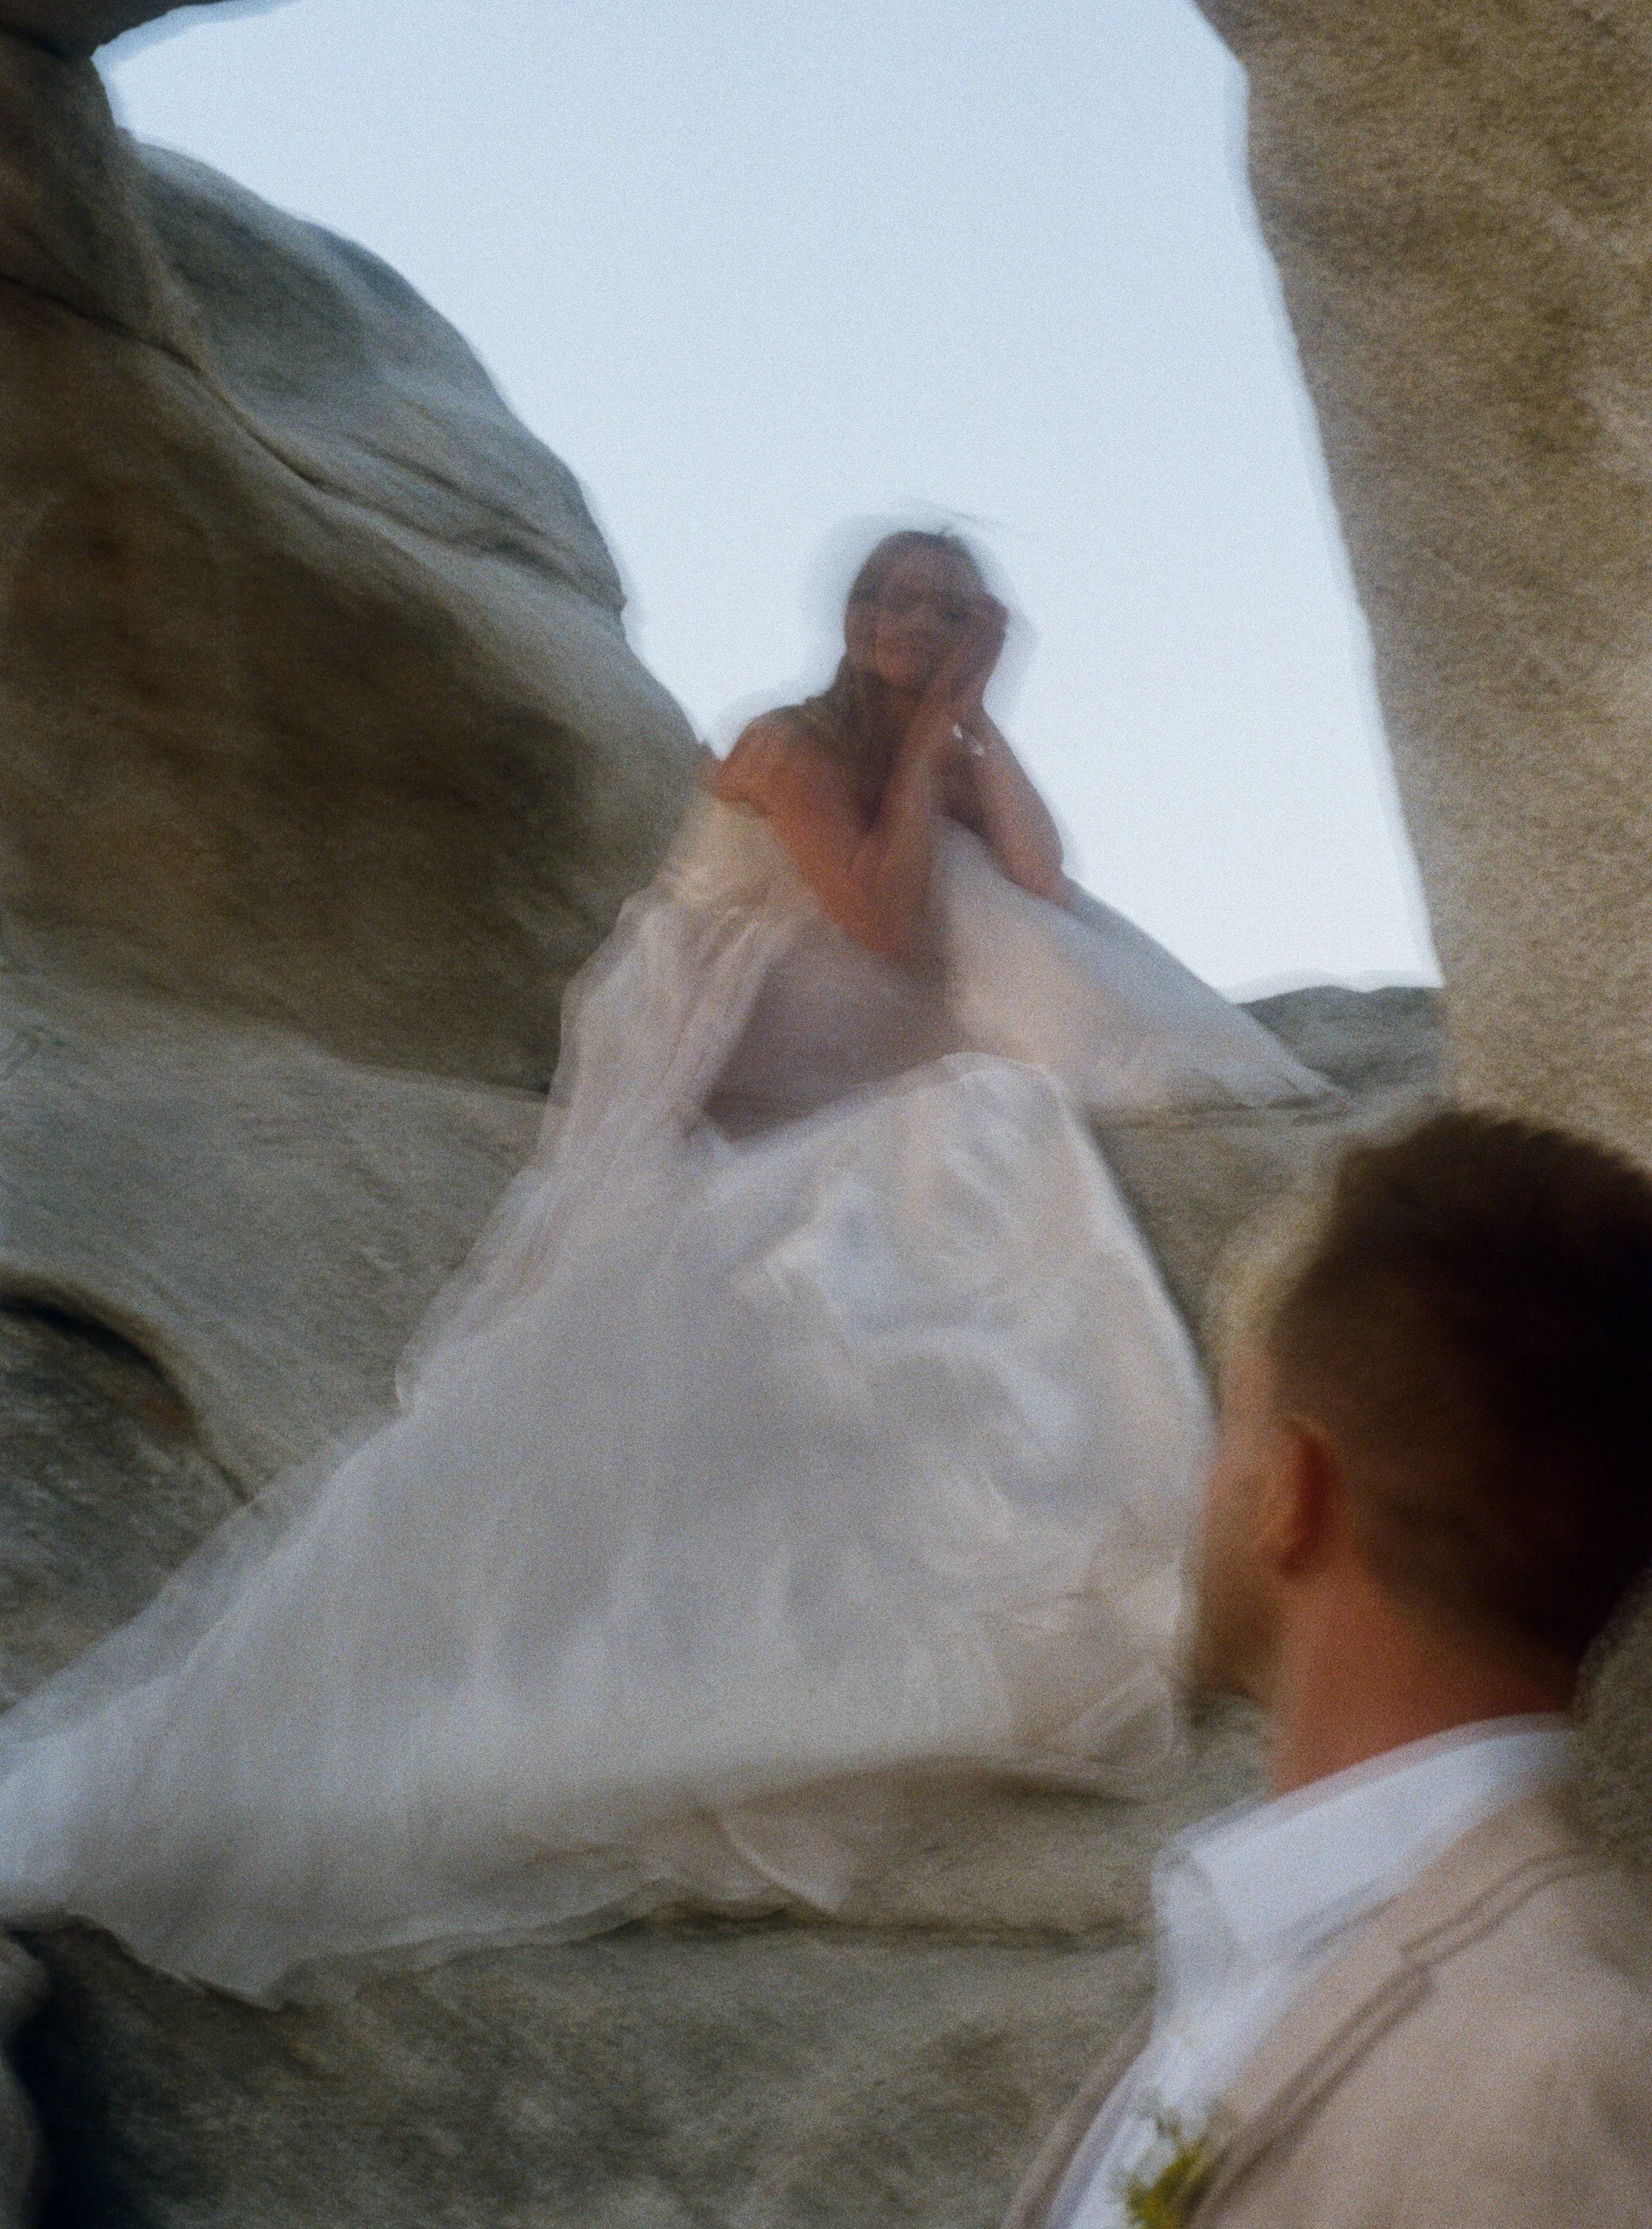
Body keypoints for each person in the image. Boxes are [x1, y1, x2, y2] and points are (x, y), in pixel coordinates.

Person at [0, 529, 1323, 2005]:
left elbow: (1042, 876)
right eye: (888, 600)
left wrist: (974, 726)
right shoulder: (779, 745)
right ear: (851, 617)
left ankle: (1138, 1068)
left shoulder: (932, 746)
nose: (907, 625)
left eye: (940, 609)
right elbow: (880, 927)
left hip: (836, 1052)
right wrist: (934, 733)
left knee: (989, 917)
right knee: (950, 1075)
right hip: (705, 1077)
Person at [1003, 1108, 1652, 2229]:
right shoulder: (1254, 1962)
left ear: (1292, 1490)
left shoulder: (1562, 2078)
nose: (1198, 1487)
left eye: (1231, 1427)